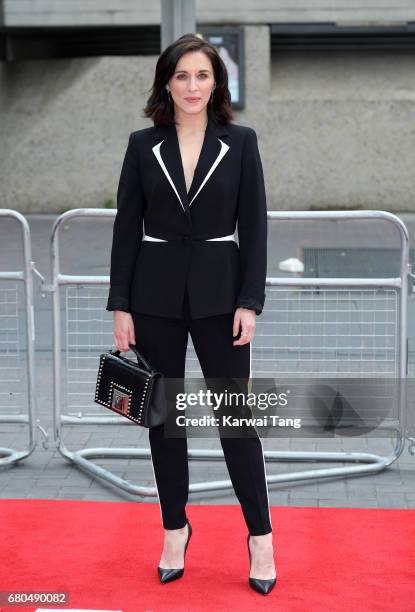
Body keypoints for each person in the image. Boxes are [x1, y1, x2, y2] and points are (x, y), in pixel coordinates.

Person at [106, 33, 276, 595]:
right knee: (163, 422)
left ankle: (260, 538)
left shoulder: (241, 142)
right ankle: (174, 528)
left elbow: (254, 227)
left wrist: (251, 301)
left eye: (202, 76)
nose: (192, 86)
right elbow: (125, 229)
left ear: (216, 82)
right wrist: (121, 305)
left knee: (235, 420)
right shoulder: (142, 144)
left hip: (222, 300)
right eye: (182, 76)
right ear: (167, 82)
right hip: (153, 300)